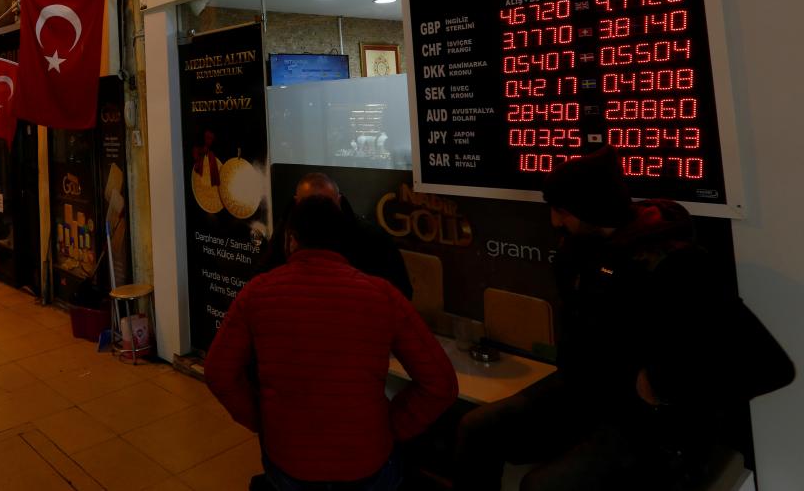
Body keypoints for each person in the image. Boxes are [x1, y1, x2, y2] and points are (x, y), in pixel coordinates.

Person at [452, 146, 741, 491]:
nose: (554, 221)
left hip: (651, 423)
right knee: (476, 427)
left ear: (591, 208)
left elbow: (749, 362)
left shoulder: (677, 263)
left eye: (562, 211)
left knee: (542, 485)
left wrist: (661, 385)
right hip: (586, 394)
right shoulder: (577, 252)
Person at [206, 195, 458, 490]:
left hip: (288, 463)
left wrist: (262, 421)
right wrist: (391, 426)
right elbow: (441, 384)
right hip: (369, 465)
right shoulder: (382, 294)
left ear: (290, 239)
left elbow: (217, 372)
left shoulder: (258, 292)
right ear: (342, 240)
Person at [291, 172, 414, 300]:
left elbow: (401, 292)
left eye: (327, 204)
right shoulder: (287, 231)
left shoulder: (372, 238)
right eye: (309, 205)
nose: (319, 212)